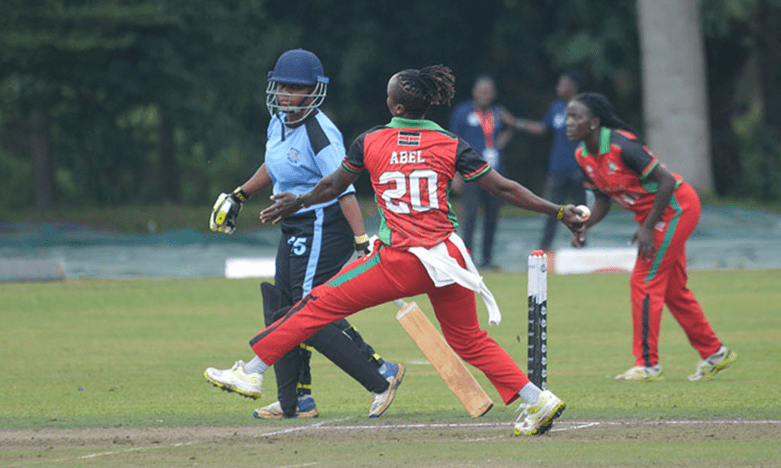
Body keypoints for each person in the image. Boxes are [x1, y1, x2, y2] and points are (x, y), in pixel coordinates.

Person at [204, 64, 588, 436]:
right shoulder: (448, 142)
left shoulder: (370, 141)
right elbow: (504, 189)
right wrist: (557, 210)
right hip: (448, 257)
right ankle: (537, 399)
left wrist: (298, 201)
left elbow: (332, 186)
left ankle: (252, 370)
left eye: (388, 95)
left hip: (401, 258)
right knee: (469, 340)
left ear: (397, 107)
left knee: (315, 304)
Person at [208, 48, 404, 419]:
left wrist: (362, 241)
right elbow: (273, 162)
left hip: (324, 225)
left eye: (295, 88)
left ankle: (380, 376)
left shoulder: (319, 133)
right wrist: (241, 194)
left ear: (313, 91)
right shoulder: (278, 121)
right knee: (281, 304)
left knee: (306, 311)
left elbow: (344, 188)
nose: (285, 93)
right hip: (295, 224)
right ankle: (295, 399)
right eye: (281, 85)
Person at [563, 92, 737, 382]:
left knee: (644, 281)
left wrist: (647, 227)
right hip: (655, 218)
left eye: (575, 116)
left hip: (677, 209)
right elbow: (603, 200)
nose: (568, 122)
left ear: (593, 122)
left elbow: (666, 182)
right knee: (673, 291)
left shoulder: (622, 145)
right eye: (567, 116)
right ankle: (715, 353)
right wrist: (585, 225)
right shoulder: (583, 155)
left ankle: (647, 365)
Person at [514, 71, 587, 251]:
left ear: (572, 86)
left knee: (582, 212)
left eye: (562, 84)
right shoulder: (556, 108)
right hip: (557, 169)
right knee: (552, 210)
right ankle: (545, 250)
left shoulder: (585, 107)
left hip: (579, 168)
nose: (558, 88)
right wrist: (518, 123)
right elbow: (543, 128)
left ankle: (581, 247)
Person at [449, 75, 516, 270]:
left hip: (495, 172)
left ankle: (487, 260)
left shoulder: (498, 112)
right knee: (469, 217)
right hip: (470, 173)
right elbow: (453, 143)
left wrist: (501, 141)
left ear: (494, 94)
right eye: (482, 90)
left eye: (489, 91)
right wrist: (456, 174)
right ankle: (467, 260)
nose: (485, 95)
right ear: (474, 91)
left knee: (492, 217)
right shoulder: (463, 112)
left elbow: (511, 126)